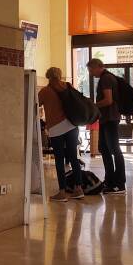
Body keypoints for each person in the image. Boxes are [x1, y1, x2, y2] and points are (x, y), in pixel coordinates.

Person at [38, 67, 84, 202]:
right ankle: (78, 189)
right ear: (60, 75)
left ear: (47, 76)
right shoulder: (67, 86)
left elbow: (35, 105)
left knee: (59, 159)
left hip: (56, 128)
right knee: (73, 158)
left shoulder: (45, 91)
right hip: (72, 125)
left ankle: (62, 192)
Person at [87, 58, 126, 195]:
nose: (91, 73)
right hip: (106, 119)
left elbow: (108, 100)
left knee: (115, 149)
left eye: (91, 70)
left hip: (110, 119)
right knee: (104, 148)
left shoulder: (106, 79)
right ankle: (109, 180)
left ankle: (120, 184)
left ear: (98, 67)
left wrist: (93, 105)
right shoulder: (106, 78)